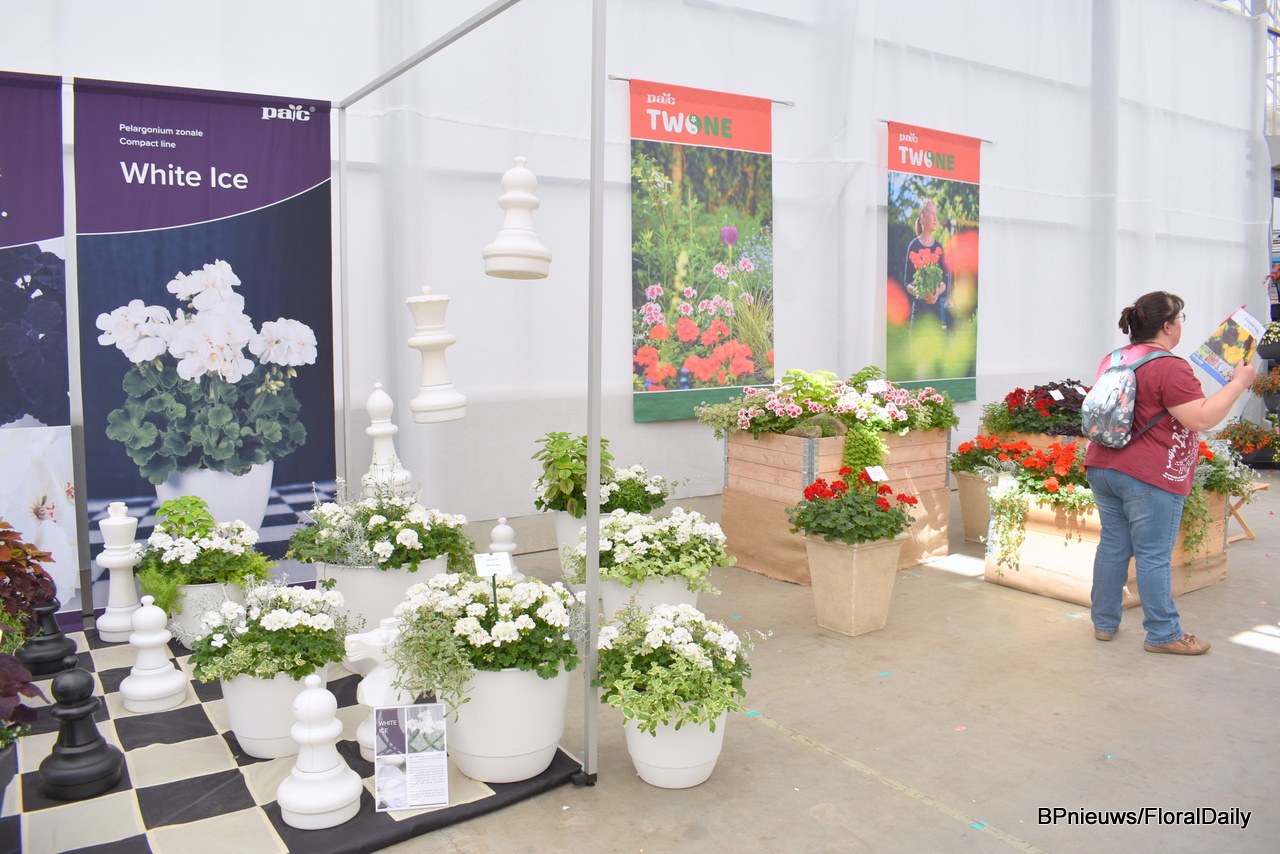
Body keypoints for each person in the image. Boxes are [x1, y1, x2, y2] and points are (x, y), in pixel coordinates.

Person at [1085, 292, 1256, 655]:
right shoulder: (1170, 366)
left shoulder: (1113, 359)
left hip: (1103, 465)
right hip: (1148, 473)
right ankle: (1163, 633)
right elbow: (1201, 418)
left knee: (1113, 546)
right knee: (1153, 555)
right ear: (1167, 326)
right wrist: (1239, 383)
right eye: (1180, 319)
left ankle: (1104, 623)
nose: (1180, 325)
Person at [903, 198, 950, 330]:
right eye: (932, 214)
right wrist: (921, 292)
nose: (935, 218)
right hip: (918, 316)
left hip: (935, 317)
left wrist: (936, 292)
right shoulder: (913, 245)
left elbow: (944, 281)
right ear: (923, 218)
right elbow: (907, 282)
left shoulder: (938, 247)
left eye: (936, 214)